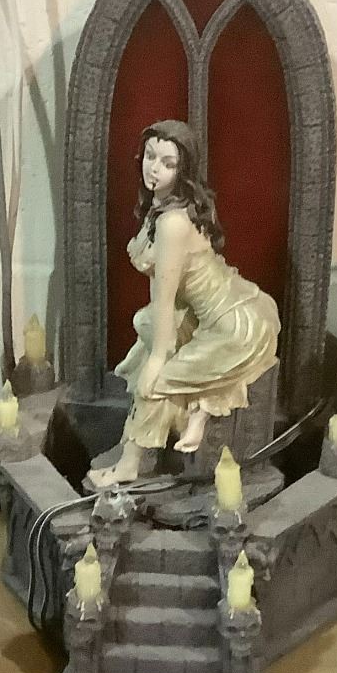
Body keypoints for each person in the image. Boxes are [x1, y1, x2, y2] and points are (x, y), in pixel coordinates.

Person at [89, 120, 280, 487]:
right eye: (149, 156)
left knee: (156, 380)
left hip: (235, 324)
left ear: (184, 169)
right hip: (210, 311)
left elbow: (164, 298)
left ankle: (132, 462)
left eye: (168, 163)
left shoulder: (173, 223)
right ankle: (186, 417)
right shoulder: (160, 209)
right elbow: (162, 300)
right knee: (144, 323)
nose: (154, 168)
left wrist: (157, 359)